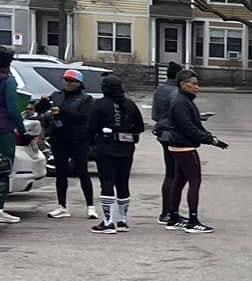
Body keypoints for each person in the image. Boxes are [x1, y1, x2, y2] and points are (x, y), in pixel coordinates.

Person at [163, 68, 228, 232]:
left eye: (197, 84)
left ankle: (173, 217)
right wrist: (209, 140)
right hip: (184, 147)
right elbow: (188, 128)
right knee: (194, 181)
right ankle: (193, 221)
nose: (197, 87)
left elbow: (195, 124)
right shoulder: (180, 102)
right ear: (183, 84)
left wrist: (211, 138)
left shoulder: (184, 101)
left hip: (179, 146)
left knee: (179, 181)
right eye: (193, 84)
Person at [90, 73, 146, 231]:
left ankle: (108, 222)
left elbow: (90, 127)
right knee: (123, 183)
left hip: (106, 148)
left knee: (107, 182)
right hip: (126, 148)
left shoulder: (99, 104)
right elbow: (140, 127)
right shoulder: (130, 104)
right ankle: (122, 221)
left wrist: (93, 144)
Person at [43, 68, 100, 221]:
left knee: (82, 172)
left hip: (78, 139)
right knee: (61, 173)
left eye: (71, 81)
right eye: (66, 80)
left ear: (79, 83)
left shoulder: (85, 99)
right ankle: (62, 206)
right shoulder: (57, 95)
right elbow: (41, 110)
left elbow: (82, 117)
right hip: (59, 139)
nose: (68, 83)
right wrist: (42, 103)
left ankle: (90, 206)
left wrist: (62, 111)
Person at [0, 48, 29, 226]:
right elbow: (13, 109)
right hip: (3, 131)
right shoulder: (8, 81)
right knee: (3, 170)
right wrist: (23, 131)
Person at [151, 62, 181, 224]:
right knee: (174, 175)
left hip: (163, 134)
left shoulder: (159, 90)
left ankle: (168, 211)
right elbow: (179, 115)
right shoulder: (175, 92)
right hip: (174, 134)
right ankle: (169, 212)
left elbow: (155, 115)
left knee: (170, 173)